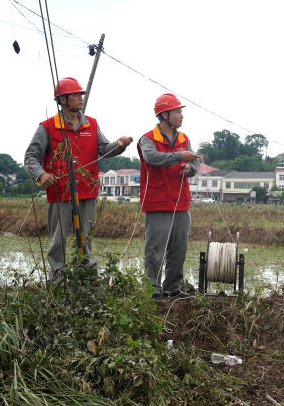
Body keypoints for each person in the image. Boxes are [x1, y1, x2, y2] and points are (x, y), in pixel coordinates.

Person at [24, 77, 133, 279]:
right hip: (60, 193)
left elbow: (104, 150)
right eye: (76, 95)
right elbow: (31, 156)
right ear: (63, 100)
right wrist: (41, 174)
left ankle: (88, 282)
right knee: (58, 241)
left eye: (81, 95)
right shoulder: (47, 126)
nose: (81, 98)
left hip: (87, 191)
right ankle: (57, 282)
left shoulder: (92, 124)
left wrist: (119, 145)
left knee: (85, 239)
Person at [138, 93, 200, 298]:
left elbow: (195, 164)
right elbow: (152, 157)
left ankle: (172, 288)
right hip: (157, 202)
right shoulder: (147, 139)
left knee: (178, 249)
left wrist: (189, 168)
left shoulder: (184, 139)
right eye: (177, 111)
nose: (181, 115)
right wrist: (179, 156)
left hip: (181, 203)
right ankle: (152, 290)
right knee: (155, 250)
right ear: (164, 115)